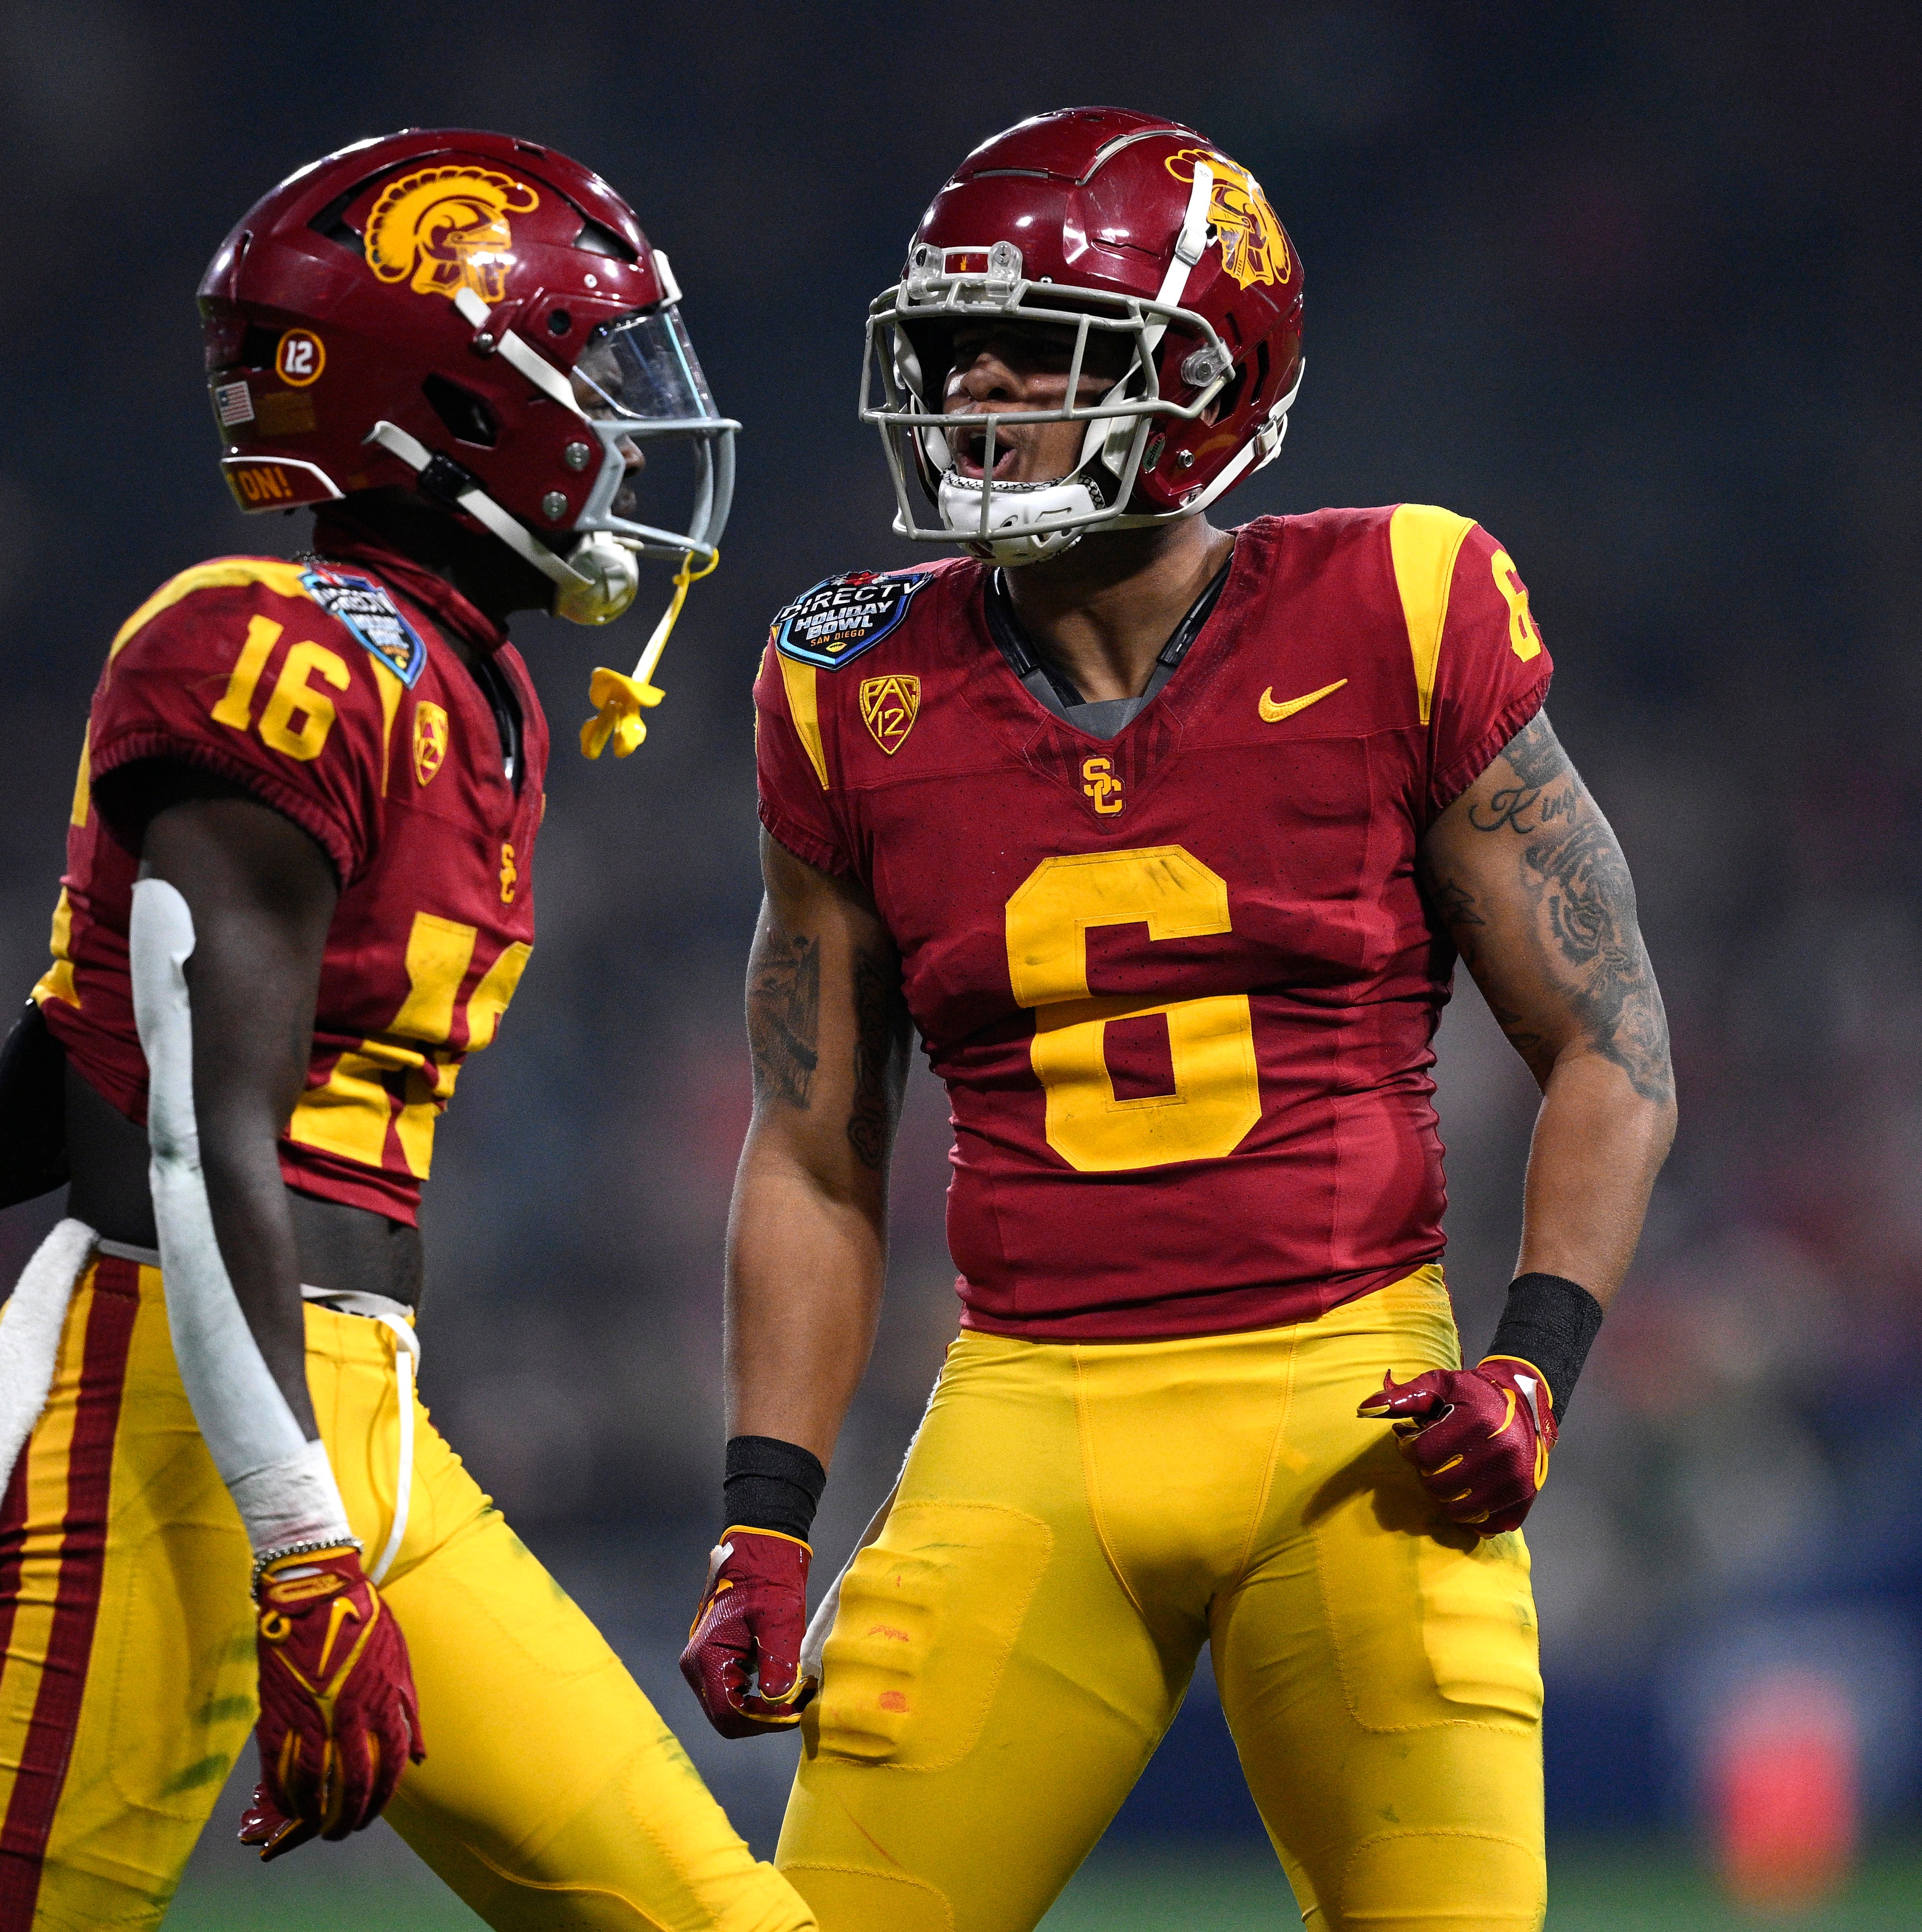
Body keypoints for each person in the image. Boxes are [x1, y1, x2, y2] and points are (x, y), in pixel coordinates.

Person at [679, 108, 1676, 1931]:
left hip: (1352, 1409)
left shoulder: (1401, 600)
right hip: (1027, 1416)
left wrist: (1533, 1357)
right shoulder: (842, 676)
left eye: (1038, 344)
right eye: (952, 346)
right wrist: (763, 1509)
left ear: (1211, 375)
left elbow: (1614, 1042)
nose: (974, 385)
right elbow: (816, 1140)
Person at [0, 128, 803, 1932]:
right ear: (447, 405)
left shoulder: (471, 677)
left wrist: (323, 1513)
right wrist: (299, 1551)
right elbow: (198, 1142)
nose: (620, 426)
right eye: (584, 373)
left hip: (349, 1406)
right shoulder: (269, 646)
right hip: (162, 1401)